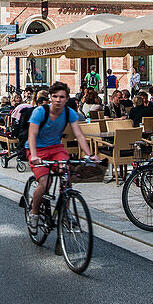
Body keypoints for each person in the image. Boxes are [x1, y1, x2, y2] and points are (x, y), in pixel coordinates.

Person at [26, 82, 94, 229]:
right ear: (50, 97)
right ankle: (34, 212)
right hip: (37, 149)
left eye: (61, 97)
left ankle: (66, 210)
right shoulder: (40, 112)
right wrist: (34, 156)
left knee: (67, 174)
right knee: (45, 183)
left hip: (56, 148)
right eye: (55, 96)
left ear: (67, 98)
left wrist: (90, 155)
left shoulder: (70, 113)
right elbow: (32, 134)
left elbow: (79, 135)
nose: (58, 100)